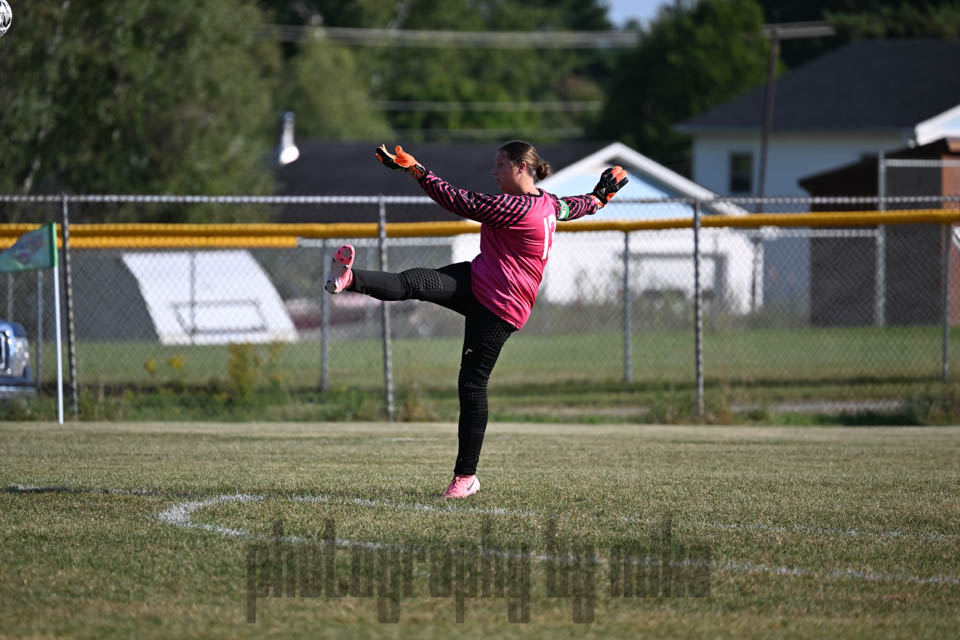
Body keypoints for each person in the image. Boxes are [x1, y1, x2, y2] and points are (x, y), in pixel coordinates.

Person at [325, 141, 628, 498]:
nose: (493, 171)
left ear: (520, 168)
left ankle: (466, 477)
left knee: (471, 386)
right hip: (478, 280)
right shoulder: (547, 203)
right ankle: (348, 279)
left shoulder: (514, 208)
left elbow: (458, 200)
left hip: (501, 307)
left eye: (500, 164)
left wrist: (417, 170)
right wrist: (600, 197)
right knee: (415, 282)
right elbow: (575, 206)